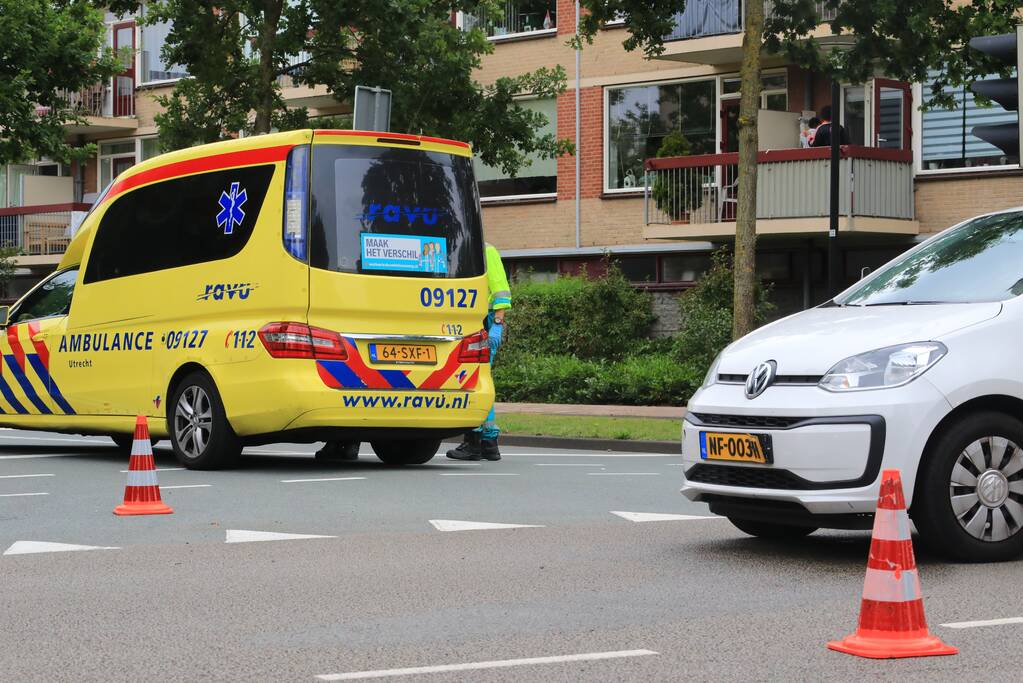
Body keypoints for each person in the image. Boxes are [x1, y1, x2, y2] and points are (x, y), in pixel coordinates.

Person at [447, 243, 511, 461]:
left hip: (484, 322)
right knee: (480, 379)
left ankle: (475, 441)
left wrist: (498, 324)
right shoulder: (466, 249)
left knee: (474, 379)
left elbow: (501, 291)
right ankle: (488, 443)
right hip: (476, 321)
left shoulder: (485, 250)